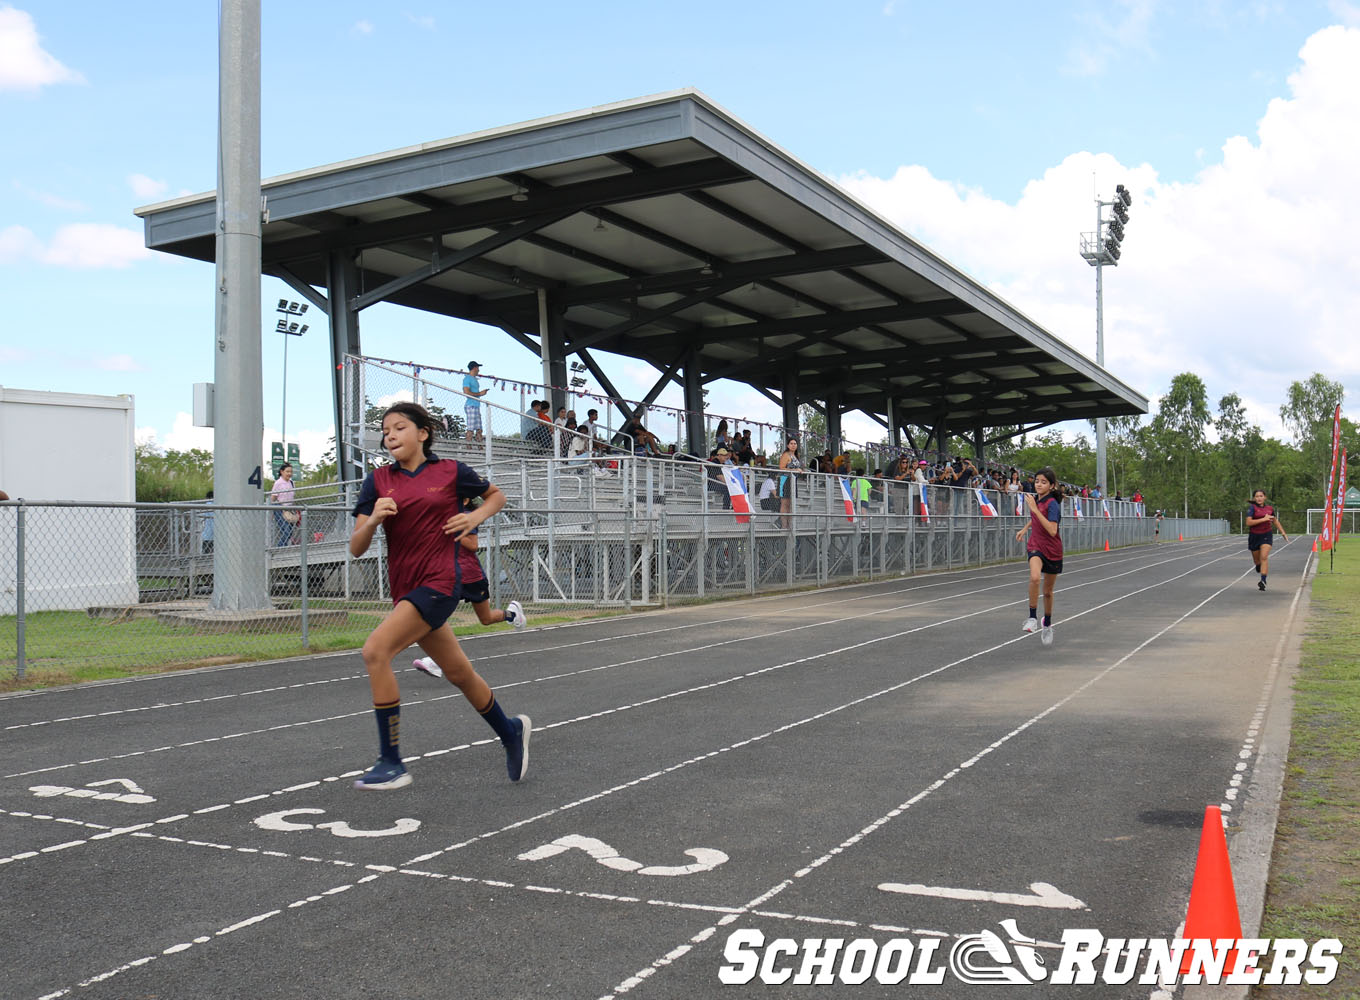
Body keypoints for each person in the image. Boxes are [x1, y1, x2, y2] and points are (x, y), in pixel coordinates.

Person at [348, 401, 529, 790]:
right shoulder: (377, 482)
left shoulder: (450, 472)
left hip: (441, 582)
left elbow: (497, 496)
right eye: (385, 431)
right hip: (406, 589)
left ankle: (391, 761)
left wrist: (475, 517)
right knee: (459, 673)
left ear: (422, 433)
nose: (390, 435)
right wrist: (375, 519)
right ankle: (510, 730)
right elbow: (356, 547)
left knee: (375, 651)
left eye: (399, 427)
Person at [413, 501, 528, 678]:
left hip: (471, 577)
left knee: (486, 618)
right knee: (435, 614)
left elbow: (473, 545)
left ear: (464, 499)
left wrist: (449, 533)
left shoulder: (465, 516)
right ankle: (436, 661)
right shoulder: (443, 516)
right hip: (449, 576)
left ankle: (512, 615)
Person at [1016, 466, 1064, 646]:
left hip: (1052, 549)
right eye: (1037, 481)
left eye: (1043, 482)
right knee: (1035, 578)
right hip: (1036, 545)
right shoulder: (1037, 500)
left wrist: (1034, 510)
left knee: (1048, 592)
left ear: (1052, 486)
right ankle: (1032, 618)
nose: (1039, 485)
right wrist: (1025, 528)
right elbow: (1035, 516)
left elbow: (1052, 530)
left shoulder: (1053, 504)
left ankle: (1048, 624)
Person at [1246, 489, 1289, 591]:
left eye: (1261, 496)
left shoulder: (1270, 509)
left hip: (1266, 535)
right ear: (1254, 498)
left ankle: (1263, 581)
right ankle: (1258, 566)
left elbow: (1275, 520)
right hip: (1254, 536)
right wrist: (1263, 519)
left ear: (1265, 497)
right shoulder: (1252, 508)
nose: (1259, 498)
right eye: (1257, 496)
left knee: (1264, 557)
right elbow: (1248, 522)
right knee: (1257, 561)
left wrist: (1283, 532)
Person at [269, 463, 298, 546]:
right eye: (287, 471)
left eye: (291, 472)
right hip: (280, 508)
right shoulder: (278, 483)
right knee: (286, 531)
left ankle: (283, 547)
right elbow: (273, 497)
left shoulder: (292, 483)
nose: (289, 474)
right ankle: (280, 548)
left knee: (290, 531)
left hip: (289, 508)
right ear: (282, 472)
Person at [778, 437, 803, 529]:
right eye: (791, 443)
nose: (793, 445)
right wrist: (794, 469)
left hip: (793, 481)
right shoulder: (786, 455)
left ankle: (789, 524)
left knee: (790, 504)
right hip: (785, 480)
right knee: (784, 503)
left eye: (795, 443)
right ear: (788, 445)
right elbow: (781, 467)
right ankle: (784, 525)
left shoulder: (796, 456)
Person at [462, 361, 488, 442]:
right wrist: (480, 393)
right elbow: (466, 392)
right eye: (478, 368)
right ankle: (468, 447)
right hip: (471, 405)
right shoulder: (467, 378)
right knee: (471, 428)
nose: (479, 370)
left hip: (476, 405)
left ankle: (480, 448)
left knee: (479, 429)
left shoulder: (474, 379)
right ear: (474, 368)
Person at [200, 489, 215, 554]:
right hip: (215, 535)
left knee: (206, 555)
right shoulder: (215, 504)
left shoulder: (208, 504)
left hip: (207, 535)